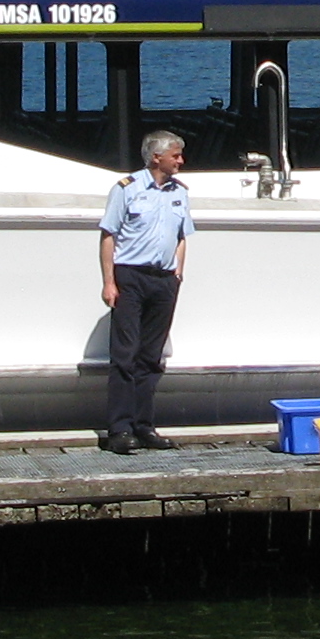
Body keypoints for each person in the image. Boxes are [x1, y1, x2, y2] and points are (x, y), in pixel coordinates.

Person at [97, 129, 195, 454]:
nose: (180, 161)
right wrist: (109, 281)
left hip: (163, 280)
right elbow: (108, 236)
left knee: (151, 357)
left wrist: (177, 273)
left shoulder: (179, 192)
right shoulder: (127, 189)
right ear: (156, 157)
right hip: (131, 276)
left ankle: (144, 425)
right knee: (124, 355)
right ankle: (120, 429)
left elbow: (182, 236)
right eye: (175, 155)